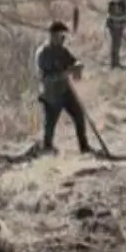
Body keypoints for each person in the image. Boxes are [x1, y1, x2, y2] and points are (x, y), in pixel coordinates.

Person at [34, 21, 92, 154]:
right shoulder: (43, 53)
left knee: (79, 115)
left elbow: (73, 61)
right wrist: (63, 74)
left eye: (64, 37)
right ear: (53, 36)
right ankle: (47, 150)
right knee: (50, 125)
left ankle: (84, 147)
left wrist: (78, 65)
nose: (63, 39)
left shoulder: (62, 50)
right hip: (51, 94)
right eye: (61, 36)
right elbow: (45, 78)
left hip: (66, 90)